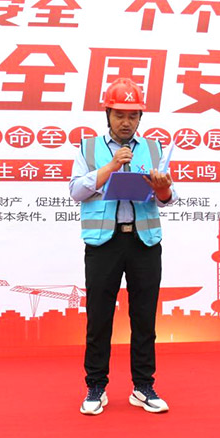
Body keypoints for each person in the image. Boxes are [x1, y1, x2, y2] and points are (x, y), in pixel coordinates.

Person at [70, 78, 176, 415]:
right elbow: (76, 191)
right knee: (99, 318)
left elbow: (169, 198)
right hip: (104, 243)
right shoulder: (88, 148)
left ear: (140, 117)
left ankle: (143, 386)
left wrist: (162, 189)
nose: (126, 122)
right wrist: (111, 167)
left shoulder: (155, 149)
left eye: (133, 115)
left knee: (144, 318)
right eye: (119, 115)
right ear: (108, 114)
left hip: (144, 242)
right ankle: (95, 387)